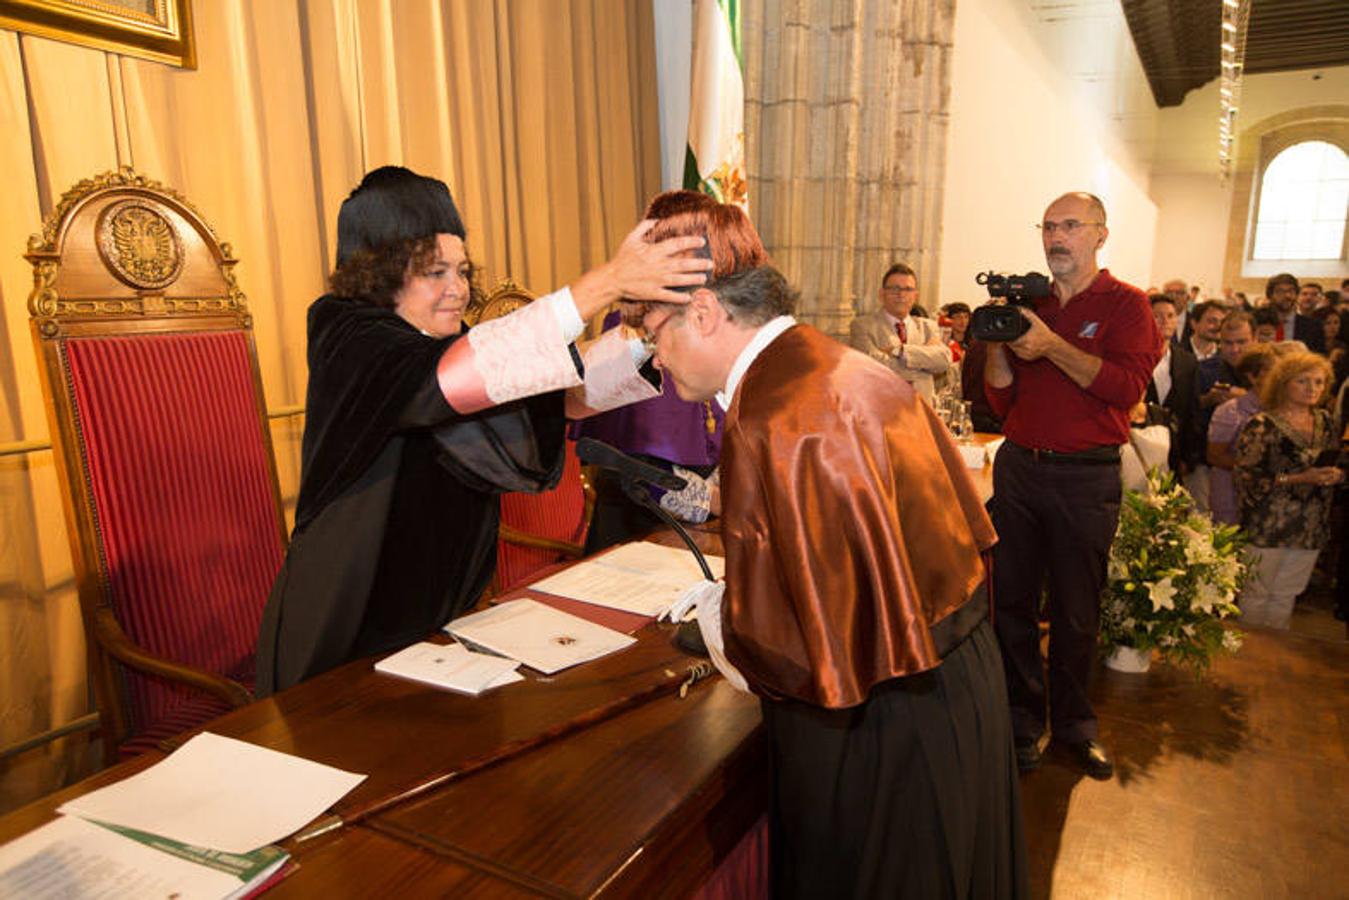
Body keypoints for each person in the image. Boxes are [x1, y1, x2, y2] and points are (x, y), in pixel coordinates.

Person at [637, 198, 1026, 897]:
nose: (651, 356)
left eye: (649, 330)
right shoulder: (822, 360)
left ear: (701, 312)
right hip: (949, 682)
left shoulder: (774, 410)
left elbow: (800, 646)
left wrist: (720, 624)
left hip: (885, 726)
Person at [255, 167, 711, 693]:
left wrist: (650, 338)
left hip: (435, 627)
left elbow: (554, 398)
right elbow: (449, 380)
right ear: (379, 275)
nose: (459, 290)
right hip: (346, 623)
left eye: (462, 271)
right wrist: (607, 281)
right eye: (435, 272)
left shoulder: (445, 342)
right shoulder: (347, 333)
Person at [984, 192, 1160, 780]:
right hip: (1019, 468)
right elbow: (998, 395)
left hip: (1085, 476)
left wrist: (1052, 346)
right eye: (1049, 226)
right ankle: (1021, 721)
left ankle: (1077, 727)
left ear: (1100, 235)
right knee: (1010, 603)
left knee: (1076, 610)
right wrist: (998, 344)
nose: (1056, 237)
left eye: (1070, 226)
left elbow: (1124, 388)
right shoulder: (1025, 301)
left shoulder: (1128, 305)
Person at [574, 191, 760, 550]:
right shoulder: (634, 326)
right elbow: (637, 467)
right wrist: (720, 502)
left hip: (711, 525)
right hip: (639, 529)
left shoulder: (713, 318)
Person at [1233, 352, 1344, 628]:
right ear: (1283, 383)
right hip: (1268, 522)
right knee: (1256, 592)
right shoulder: (1262, 424)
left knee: (1286, 596)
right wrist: (1299, 478)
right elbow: (1245, 475)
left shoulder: (1327, 421)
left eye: (1319, 382)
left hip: (1310, 524)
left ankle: (1272, 661)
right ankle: (1247, 662)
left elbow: (1338, 460)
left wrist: (1336, 475)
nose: (1312, 388)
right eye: (1303, 381)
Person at [848, 263, 953, 404]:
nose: (901, 294)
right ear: (881, 293)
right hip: (882, 411)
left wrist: (899, 351)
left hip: (921, 412)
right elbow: (872, 366)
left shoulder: (927, 327)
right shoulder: (862, 326)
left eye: (908, 289)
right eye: (894, 288)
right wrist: (924, 367)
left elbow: (944, 360)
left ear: (916, 295)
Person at [1206, 344, 1279, 525]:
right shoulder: (1231, 411)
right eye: (1273, 371)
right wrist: (1258, 469)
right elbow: (1215, 456)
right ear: (1253, 377)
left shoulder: (1283, 410)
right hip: (1232, 495)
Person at [1146, 294, 1200, 474]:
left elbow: (1191, 411)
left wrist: (1188, 456)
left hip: (1174, 450)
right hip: (1142, 444)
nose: (1165, 321)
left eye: (1170, 316)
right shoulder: (1133, 359)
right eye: (1157, 316)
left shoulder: (1187, 361)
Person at [1264, 272, 1326, 353]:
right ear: (1270, 296)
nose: (1287, 295)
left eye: (1291, 291)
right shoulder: (1258, 322)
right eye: (1280, 291)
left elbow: (1319, 359)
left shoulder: (1313, 326)